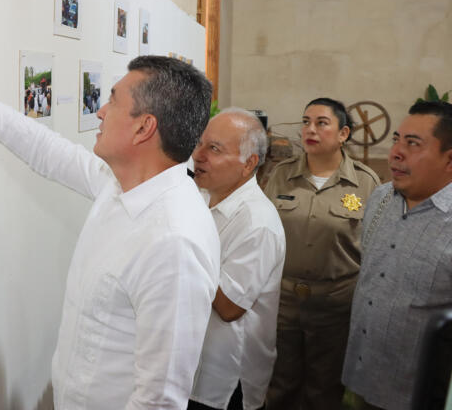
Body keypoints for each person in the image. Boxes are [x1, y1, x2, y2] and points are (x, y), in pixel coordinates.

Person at [0, 33, 220, 410]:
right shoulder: (119, 184)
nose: (101, 112)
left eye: (113, 101)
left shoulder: (174, 242)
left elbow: (161, 400)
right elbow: (45, 150)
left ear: (144, 128)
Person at [263, 97, 380, 410]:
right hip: (284, 302)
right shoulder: (280, 176)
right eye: (305, 122)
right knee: (279, 385)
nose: (309, 129)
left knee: (324, 391)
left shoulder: (366, 184)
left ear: (343, 134)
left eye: (321, 123)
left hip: (336, 305)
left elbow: (375, 247)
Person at [342, 101, 452, 410]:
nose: (396, 153)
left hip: (420, 393)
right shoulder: (380, 198)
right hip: (365, 378)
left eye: (413, 144)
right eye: (396, 140)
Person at [189, 109, 286, 410]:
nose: (198, 155)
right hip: (192, 366)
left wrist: (183, 251)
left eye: (214, 149)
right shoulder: (201, 197)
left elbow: (230, 307)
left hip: (225, 381)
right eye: (200, 144)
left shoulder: (258, 223)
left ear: (249, 164)